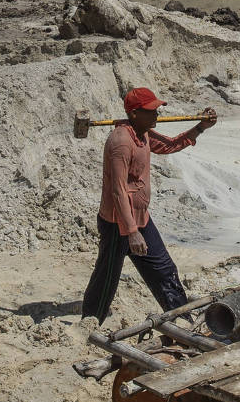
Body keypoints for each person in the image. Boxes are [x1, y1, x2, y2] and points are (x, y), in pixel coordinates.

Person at [81, 87, 218, 323]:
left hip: (140, 218)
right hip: (118, 225)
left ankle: (182, 320)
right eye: (152, 110)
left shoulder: (142, 132)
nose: (157, 115)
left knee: (164, 270)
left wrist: (200, 128)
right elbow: (118, 190)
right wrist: (131, 232)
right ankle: (90, 323)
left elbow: (170, 145)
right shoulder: (121, 142)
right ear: (134, 113)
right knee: (106, 279)